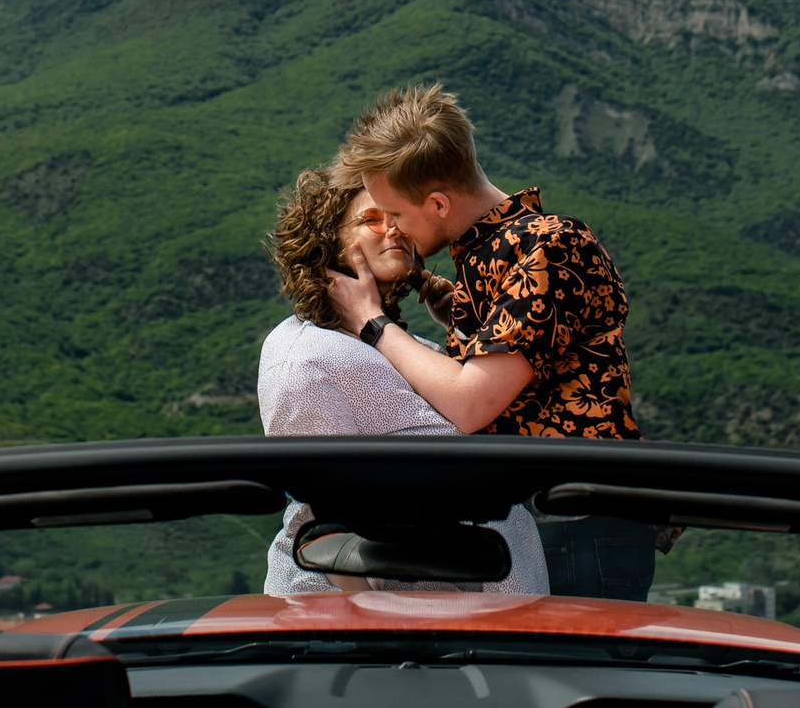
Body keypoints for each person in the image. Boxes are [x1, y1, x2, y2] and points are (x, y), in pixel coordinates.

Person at [321, 84, 660, 600]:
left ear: (437, 203)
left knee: (575, 680)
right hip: (537, 525)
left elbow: (471, 402)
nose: (391, 227)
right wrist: (455, 314)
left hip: (575, 526)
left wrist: (372, 322)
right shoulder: (492, 254)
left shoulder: (549, 247)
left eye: (396, 214)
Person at [255, 165, 549, 597]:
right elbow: (326, 519)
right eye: (372, 219)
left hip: (471, 610)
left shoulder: (396, 344)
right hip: (378, 625)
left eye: (398, 216)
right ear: (327, 240)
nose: (392, 229)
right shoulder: (305, 355)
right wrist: (373, 621)